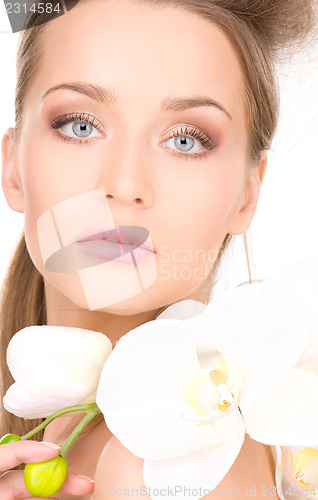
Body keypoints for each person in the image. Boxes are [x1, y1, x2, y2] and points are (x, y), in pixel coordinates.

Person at [0, 0, 316, 498]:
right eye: (79, 125)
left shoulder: (163, 467)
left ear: (249, 194)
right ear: (12, 164)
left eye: (186, 141)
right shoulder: (57, 443)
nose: (125, 184)